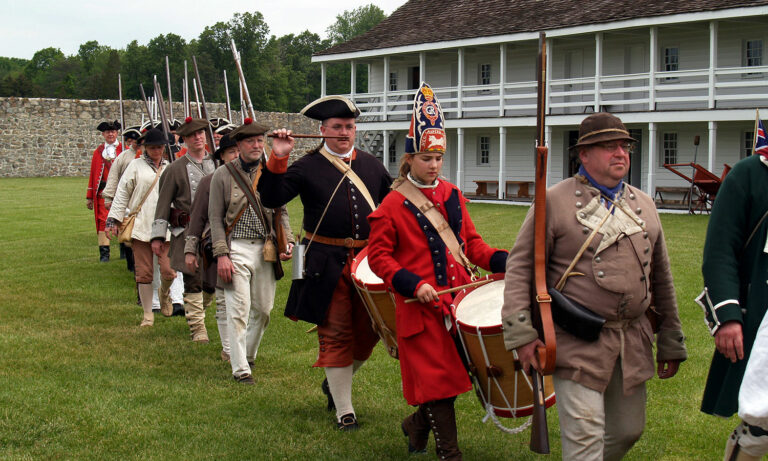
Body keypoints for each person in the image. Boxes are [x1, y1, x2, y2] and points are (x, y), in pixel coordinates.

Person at [501, 112, 688, 461]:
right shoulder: (554, 201)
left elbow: (661, 276)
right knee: (585, 439)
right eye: (608, 147)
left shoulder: (643, 204)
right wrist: (522, 336)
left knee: (628, 430)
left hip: (631, 341)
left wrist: (671, 340)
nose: (620, 153)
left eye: (624, 146)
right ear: (583, 155)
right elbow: (521, 267)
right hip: (576, 342)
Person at [367, 83, 508, 460]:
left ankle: (415, 426)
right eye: (427, 157)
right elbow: (379, 258)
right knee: (437, 384)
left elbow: (472, 246)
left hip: (458, 303)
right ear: (410, 158)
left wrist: (506, 262)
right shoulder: (391, 206)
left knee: (453, 378)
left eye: (439, 158)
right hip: (419, 307)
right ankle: (450, 454)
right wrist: (414, 284)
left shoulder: (452, 195)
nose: (434, 165)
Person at [259, 96, 392, 429]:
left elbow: (394, 209)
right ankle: (345, 411)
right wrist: (279, 156)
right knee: (335, 334)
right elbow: (271, 197)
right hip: (323, 264)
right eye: (336, 127)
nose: (344, 133)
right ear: (322, 130)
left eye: (348, 127)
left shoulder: (373, 166)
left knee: (368, 334)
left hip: (366, 264)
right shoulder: (305, 165)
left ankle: (334, 383)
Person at [209, 120, 294, 384]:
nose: (256, 146)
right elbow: (215, 218)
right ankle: (240, 368)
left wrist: (287, 240)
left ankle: (248, 353)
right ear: (239, 145)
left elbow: (281, 210)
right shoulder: (223, 175)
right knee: (238, 309)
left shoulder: (272, 172)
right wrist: (222, 254)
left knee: (265, 309)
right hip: (236, 248)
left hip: (265, 249)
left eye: (260, 141)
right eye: (250, 141)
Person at [698, 147, 768, 461]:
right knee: (760, 426)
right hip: (763, 317)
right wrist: (727, 316)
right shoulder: (749, 174)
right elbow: (720, 251)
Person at [151, 117, 216, 342]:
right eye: (192, 135)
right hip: (186, 231)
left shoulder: (217, 165)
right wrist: (158, 236)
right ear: (185, 140)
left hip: (214, 231)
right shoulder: (175, 169)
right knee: (192, 278)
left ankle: (197, 311)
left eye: (201, 133)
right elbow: (163, 205)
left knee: (211, 283)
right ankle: (198, 328)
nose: (198, 138)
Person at [105, 128, 173, 326]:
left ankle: (164, 293)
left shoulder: (171, 167)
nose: (156, 150)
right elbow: (122, 194)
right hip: (142, 224)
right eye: (152, 147)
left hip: (166, 225)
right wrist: (113, 220)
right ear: (145, 147)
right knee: (144, 273)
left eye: (159, 147)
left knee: (169, 271)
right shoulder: (135, 166)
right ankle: (147, 314)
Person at [184, 133, 240, 362]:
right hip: (219, 245)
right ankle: (228, 349)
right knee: (223, 299)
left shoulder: (258, 178)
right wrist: (190, 248)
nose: (237, 156)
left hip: (251, 245)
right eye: (232, 152)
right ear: (223, 156)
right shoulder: (210, 181)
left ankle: (243, 347)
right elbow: (197, 218)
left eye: (239, 150)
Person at [104, 125, 142, 274]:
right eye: (131, 140)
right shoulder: (123, 157)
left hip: (142, 200)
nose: (134, 143)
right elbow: (113, 177)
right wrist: (109, 197)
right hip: (127, 200)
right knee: (128, 234)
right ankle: (131, 265)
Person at [87, 120, 123, 262]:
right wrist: (89, 196)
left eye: (113, 131)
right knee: (103, 221)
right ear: (103, 134)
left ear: (117, 133)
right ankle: (104, 254)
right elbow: (93, 174)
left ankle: (124, 251)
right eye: (108, 132)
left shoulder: (123, 150)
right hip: (103, 193)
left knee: (121, 219)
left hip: (120, 192)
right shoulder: (99, 151)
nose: (110, 134)